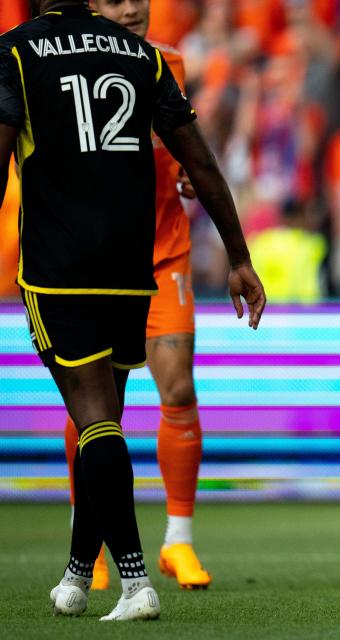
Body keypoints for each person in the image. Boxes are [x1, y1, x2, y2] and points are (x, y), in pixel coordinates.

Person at [0, 0, 265, 621]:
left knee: (93, 419)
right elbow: (200, 160)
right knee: (108, 416)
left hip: (59, 267)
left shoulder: (14, 50)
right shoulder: (141, 57)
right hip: (131, 267)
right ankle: (74, 571)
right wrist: (238, 256)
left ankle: (135, 580)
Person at [58, 0, 211, 593]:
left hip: (162, 248)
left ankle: (179, 540)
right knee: (92, 402)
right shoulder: (55, 63)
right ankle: (87, 543)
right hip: (92, 255)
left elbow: (184, 142)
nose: (130, 9)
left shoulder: (167, 61)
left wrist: (189, 174)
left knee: (178, 386)